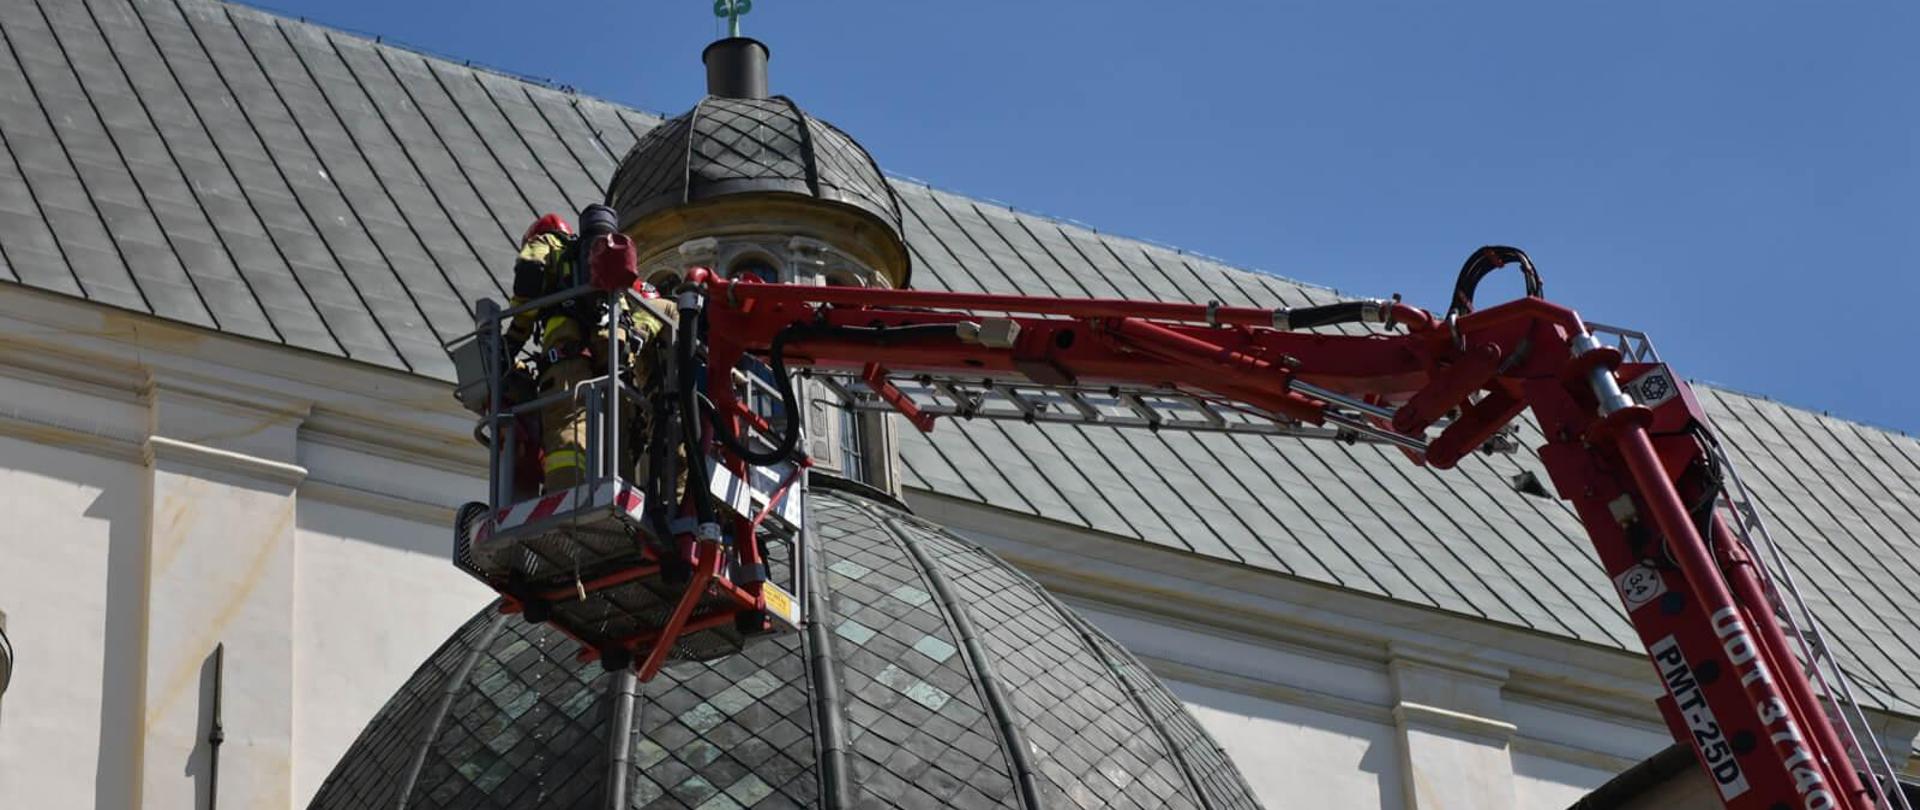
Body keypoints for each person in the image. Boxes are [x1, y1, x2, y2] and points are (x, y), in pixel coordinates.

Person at [502, 205, 664, 493]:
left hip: (567, 364)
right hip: (616, 368)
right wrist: (637, 336)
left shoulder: (549, 244)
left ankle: (562, 502)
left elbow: (529, 274)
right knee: (617, 446)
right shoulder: (613, 275)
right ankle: (619, 502)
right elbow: (657, 305)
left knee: (568, 438)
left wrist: (511, 342)